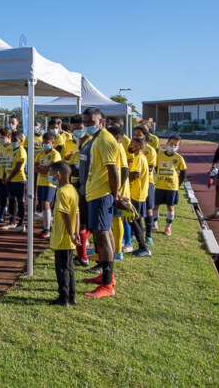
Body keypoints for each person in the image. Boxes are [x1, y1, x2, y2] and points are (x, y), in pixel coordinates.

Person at [81, 107, 120, 299]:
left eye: (92, 122)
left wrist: (116, 195)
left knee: (103, 236)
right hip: (95, 193)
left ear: (101, 123)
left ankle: (107, 285)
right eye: (86, 122)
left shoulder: (104, 140)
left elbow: (113, 170)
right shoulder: (95, 139)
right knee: (103, 235)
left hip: (102, 194)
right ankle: (107, 277)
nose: (88, 125)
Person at [48, 161, 80, 306]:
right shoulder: (72, 189)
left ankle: (63, 298)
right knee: (69, 267)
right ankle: (72, 296)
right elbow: (77, 213)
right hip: (69, 235)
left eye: (51, 174)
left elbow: (66, 214)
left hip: (62, 237)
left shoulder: (61, 192)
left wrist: (72, 234)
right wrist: (76, 231)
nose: (49, 177)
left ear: (58, 175)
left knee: (62, 269)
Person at [152, 135, 187, 236]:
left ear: (178, 147)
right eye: (171, 143)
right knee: (155, 206)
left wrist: (179, 184)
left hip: (172, 187)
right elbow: (156, 166)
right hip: (159, 186)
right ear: (167, 143)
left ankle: (168, 227)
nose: (172, 146)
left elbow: (183, 172)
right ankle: (155, 224)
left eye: (175, 145)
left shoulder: (179, 158)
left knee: (170, 207)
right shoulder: (160, 155)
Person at [69, 115, 92, 267]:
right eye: (75, 129)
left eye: (80, 129)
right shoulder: (79, 149)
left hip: (90, 191)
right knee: (82, 224)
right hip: (79, 191)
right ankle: (82, 256)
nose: (77, 131)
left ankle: (84, 257)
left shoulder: (92, 145)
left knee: (84, 225)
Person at [106, 126, 131, 260]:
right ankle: (113, 247)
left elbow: (125, 170)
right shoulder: (112, 148)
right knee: (112, 220)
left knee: (117, 219)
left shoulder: (119, 148)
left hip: (118, 191)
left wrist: (117, 190)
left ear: (116, 137)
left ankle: (118, 251)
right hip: (112, 189)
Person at [126, 136, 152, 257]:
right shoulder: (139, 158)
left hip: (136, 193)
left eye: (132, 143)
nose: (130, 145)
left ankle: (143, 247)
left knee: (132, 219)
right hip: (139, 193)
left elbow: (135, 174)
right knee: (137, 220)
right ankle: (143, 246)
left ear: (138, 147)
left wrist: (125, 175)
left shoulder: (138, 158)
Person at [133, 126, 158, 243]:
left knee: (148, 209)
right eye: (135, 134)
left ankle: (148, 235)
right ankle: (135, 233)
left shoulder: (150, 150)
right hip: (135, 184)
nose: (136, 136)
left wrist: (141, 175)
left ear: (145, 136)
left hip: (147, 183)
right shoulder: (131, 149)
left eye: (139, 134)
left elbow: (151, 168)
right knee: (135, 209)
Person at [35, 132, 62, 239]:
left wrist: (43, 168)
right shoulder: (40, 153)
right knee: (42, 205)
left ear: (53, 143)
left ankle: (49, 229)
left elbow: (51, 169)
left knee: (47, 204)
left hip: (50, 183)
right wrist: (44, 168)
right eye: (43, 142)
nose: (44, 144)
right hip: (40, 182)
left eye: (47, 142)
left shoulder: (56, 154)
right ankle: (46, 228)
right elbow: (35, 167)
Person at [2, 131, 27, 232]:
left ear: (20, 141)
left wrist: (9, 177)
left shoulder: (21, 151)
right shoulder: (10, 150)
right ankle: (12, 222)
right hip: (9, 179)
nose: (13, 142)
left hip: (18, 179)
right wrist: (4, 176)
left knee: (20, 200)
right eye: (12, 140)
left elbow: (18, 167)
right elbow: (6, 164)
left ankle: (21, 224)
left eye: (15, 141)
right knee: (11, 198)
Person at [0, 127, 12, 223]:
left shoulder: (13, 147)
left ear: (8, 137)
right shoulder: (0, 145)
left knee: (12, 198)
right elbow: (0, 160)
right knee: (2, 197)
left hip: (10, 177)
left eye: (2, 137)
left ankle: (12, 218)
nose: (0, 139)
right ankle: (1, 216)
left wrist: (8, 176)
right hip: (1, 175)